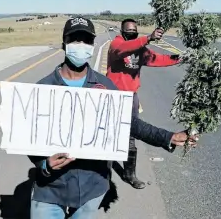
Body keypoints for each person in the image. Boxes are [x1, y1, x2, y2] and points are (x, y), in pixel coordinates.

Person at [28, 16, 198, 219]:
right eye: (75, 39)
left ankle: (129, 173)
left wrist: (168, 137)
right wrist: (43, 165)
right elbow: (28, 137)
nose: (81, 45)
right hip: (50, 189)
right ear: (63, 44)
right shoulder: (42, 89)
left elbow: (129, 124)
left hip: (91, 188)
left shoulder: (105, 87)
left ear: (92, 44)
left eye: (86, 40)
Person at [106, 18, 181, 189]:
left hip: (131, 98)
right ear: (123, 32)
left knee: (130, 136)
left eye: (135, 30)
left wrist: (180, 58)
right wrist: (148, 38)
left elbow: (157, 59)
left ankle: (129, 174)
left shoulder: (140, 50)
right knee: (110, 136)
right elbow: (122, 48)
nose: (132, 33)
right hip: (113, 97)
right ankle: (104, 177)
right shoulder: (116, 44)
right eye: (129, 31)